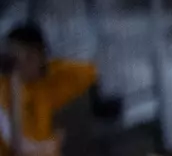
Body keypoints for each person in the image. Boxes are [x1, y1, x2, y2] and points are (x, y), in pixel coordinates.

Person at [0, 23, 99, 156]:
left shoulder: (52, 79)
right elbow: (20, 145)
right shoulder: (6, 90)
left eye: (31, 56)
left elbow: (91, 73)